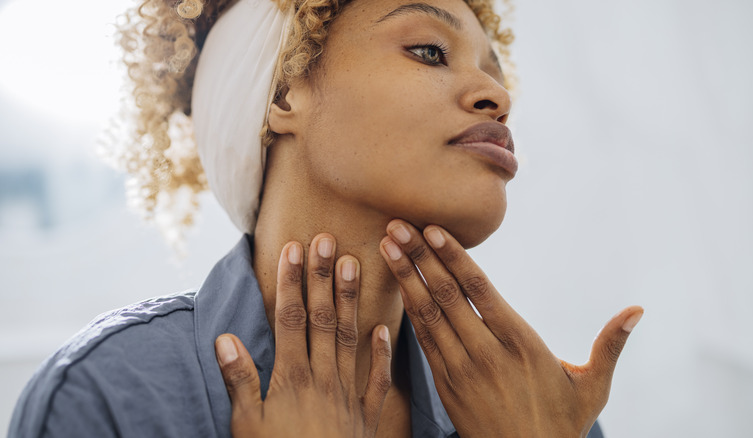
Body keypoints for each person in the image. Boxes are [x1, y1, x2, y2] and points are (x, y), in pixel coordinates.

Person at [9, 0, 643, 436]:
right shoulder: (110, 395)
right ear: (285, 91)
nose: (497, 98)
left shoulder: (546, 417)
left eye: (494, 73)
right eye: (429, 50)